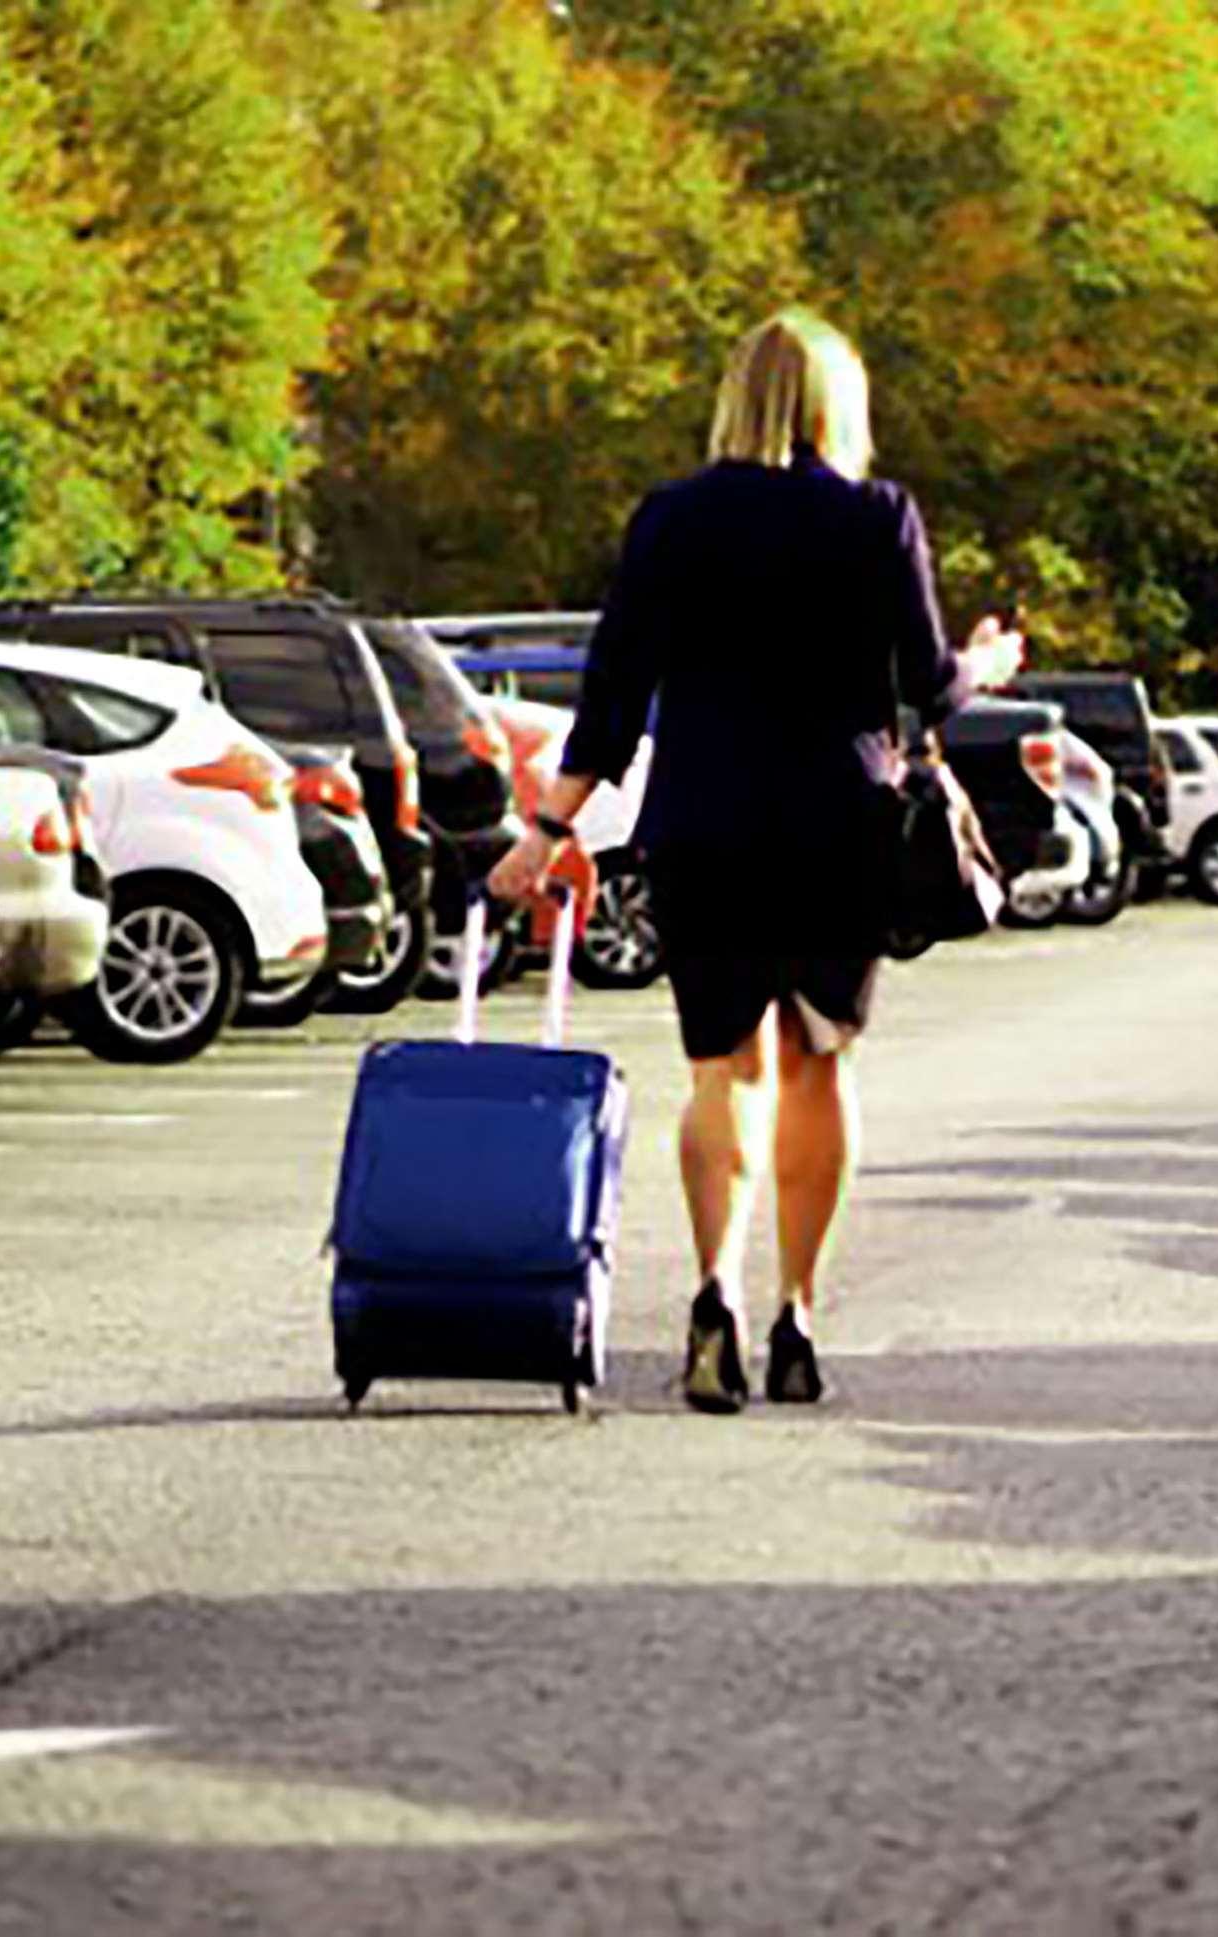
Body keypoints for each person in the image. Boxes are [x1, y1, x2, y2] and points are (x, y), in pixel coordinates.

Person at [491, 309, 1022, 1415]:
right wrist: (984, 662)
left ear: (735, 397)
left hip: (705, 821)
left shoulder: (672, 520)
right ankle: (797, 1314)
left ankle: (712, 1295)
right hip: (839, 822)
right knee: (819, 1062)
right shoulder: (877, 516)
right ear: (843, 405)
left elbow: (612, 696)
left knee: (723, 1066)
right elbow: (928, 682)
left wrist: (545, 831)